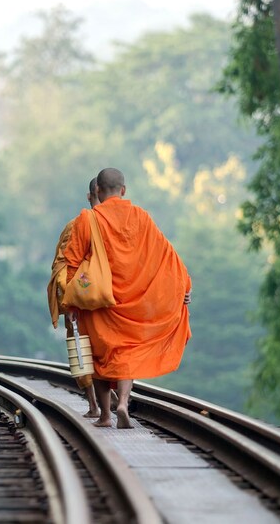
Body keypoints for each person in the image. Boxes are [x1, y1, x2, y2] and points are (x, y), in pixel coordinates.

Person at [64, 168, 192, 429]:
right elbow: (166, 254)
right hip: (134, 302)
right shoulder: (141, 217)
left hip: (99, 303)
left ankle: (105, 416)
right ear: (123, 190)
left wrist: (69, 302)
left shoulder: (87, 220)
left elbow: (71, 263)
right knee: (126, 354)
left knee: (100, 358)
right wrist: (184, 287)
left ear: (97, 191)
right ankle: (123, 402)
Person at [48, 178, 101, 417]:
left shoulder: (75, 225)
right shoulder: (119, 226)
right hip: (110, 299)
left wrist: (69, 298)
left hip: (79, 297)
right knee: (109, 348)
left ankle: (94, 405)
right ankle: (116, 403)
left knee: (81, 347)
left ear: (89, 196)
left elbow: (64, 265)